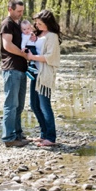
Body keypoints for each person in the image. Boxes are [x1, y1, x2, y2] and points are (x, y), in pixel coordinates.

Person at [25, 9, 62, 147]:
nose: (37, 25)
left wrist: (32, 57)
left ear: (47, 23)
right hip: (35, 72)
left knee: (44, 105)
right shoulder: (39, 34)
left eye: (40, 23)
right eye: (36, 23)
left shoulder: (52, 36)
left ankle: (51, 138)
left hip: (45, 74)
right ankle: (43, 134)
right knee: (34, 105)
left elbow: (51, 57)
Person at [0, 0, 30, 147]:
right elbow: (7, 45)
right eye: (18, 11)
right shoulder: (7, 23)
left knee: (19, 105)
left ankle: (18, 134)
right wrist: (23, 54)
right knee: (11, 105)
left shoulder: (19, 24)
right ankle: (9, 138)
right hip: (11, 69)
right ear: (10, 9)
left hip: (21, 69)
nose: (20, 14)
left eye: (22, 11)